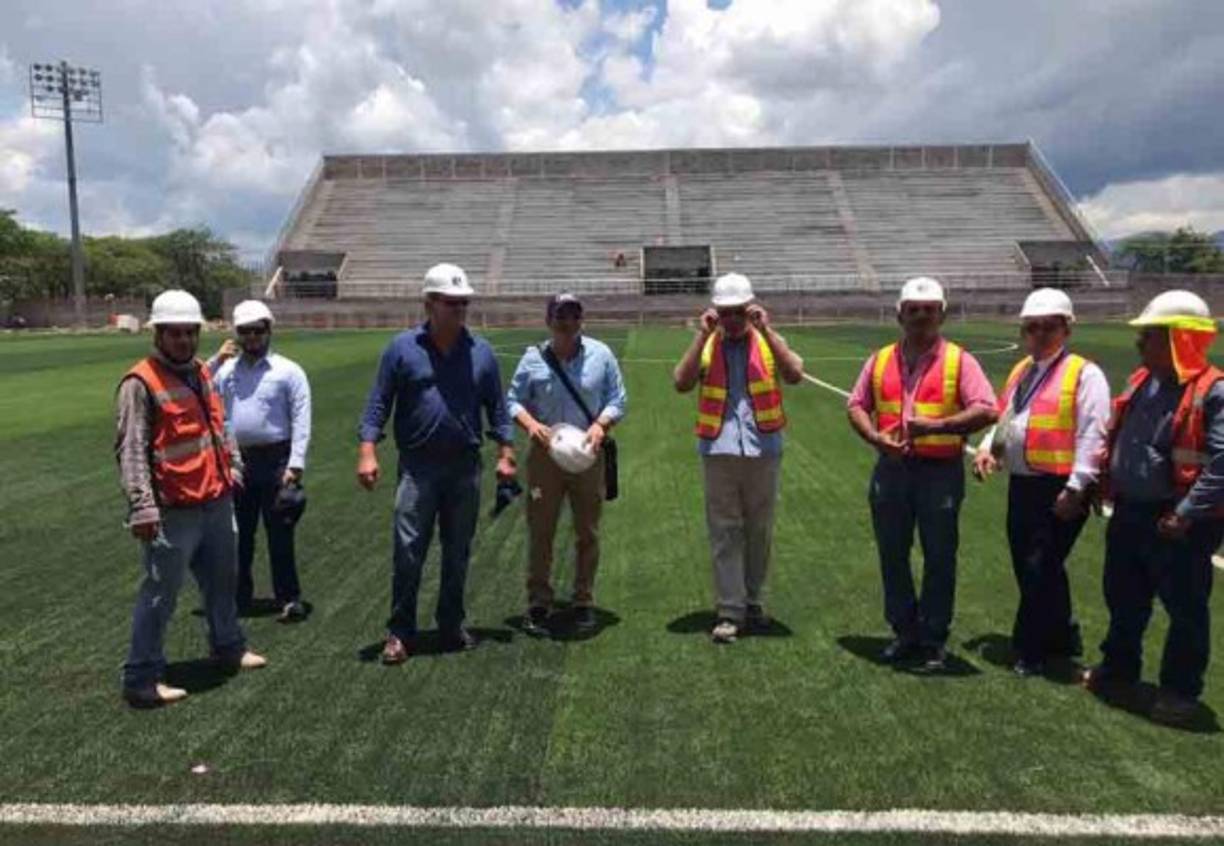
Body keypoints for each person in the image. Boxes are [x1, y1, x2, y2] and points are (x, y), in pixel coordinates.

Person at [357, 263, 517, 664]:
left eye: (464, 302)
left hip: (465, 467)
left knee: (457, 551)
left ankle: (450, 625)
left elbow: (497, 408)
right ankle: (400, 632)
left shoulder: (481, 352)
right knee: (408, 549)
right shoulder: (401, 349)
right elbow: (379, 402)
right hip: (418, 467)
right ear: (429, 303)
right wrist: (367, 449)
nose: (459, 309)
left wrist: (506, 452)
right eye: (451, 303)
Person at [115, 289, 266, 708]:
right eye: (174, 333)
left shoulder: (200, 372)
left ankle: (228, 647)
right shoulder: (140, 383)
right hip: (172, 509)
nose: (183, 340)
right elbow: (131, 450)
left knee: (223, 583)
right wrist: (142, 505)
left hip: (214, 500)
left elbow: (219, 425)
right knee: (160, 595)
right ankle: (142, 677)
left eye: (189, 332)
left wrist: (232, 464)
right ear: (158, 334)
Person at [1084, 290, 1224, 725]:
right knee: (1124, 595)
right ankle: (1119, 668)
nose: (1139, 344)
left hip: (1178, 521)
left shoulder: (1212, 392)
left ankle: (1180, 692)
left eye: (1149, 336)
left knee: (1184, 607)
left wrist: (1186, 511)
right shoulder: (1143, 381)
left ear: (1180, 338)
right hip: (1132, 510)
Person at [847, 276, 997, 671]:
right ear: (900, 314)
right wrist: (876, 439)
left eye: (929, 310)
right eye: (913, 310)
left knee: (940, 556)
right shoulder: (879, 360)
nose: (920, 317)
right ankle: (904, 631)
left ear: (942, 314)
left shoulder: (960, 360)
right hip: (891, 469)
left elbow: (986, 408)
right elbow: (857, 405)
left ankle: (933, 638)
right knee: (892, 554)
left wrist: (936, 427)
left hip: (939, 472)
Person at [972, 288, 1110, 676]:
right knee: (1035, 565)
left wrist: (1077, 487)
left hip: (1061, 486)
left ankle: (1030, 648)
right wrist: (988, 448)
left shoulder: (1085, 374)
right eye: (1032, 327)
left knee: (1038, 565)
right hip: (1024, 483)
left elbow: (1092, 434)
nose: (1040, 334)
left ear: (1066, 329)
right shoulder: (1022, 370)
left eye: (1049, 327)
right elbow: (1007, 416)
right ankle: (1063, 635)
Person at [673, 273, 804, 644]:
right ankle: (730, 609)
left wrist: (770, 331)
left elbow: (794, 374)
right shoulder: (708, 345)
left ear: (751, 309)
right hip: (718, 449)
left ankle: (754, 600)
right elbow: (681, 382)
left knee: (759, 530)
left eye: (738, 312)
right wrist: (701, 336)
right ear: (715, 312)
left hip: (763, 448)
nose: (731, 320)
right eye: (725, 312)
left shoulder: (767, 342)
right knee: (725, 531)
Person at [506, 292, 627, 636]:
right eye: (561, 315)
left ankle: (583, 600)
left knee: (587, 531)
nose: (567, 322)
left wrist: (600, 424)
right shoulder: (533, 359)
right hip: (546, 456)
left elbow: (618, 399)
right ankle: (539, 601)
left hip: (588, 454)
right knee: (541, 530)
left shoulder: (601, 355)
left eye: (574, 315)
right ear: (549, 320)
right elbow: (513, 400)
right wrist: (531, 425)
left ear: (581, 320)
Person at [210, 300, 312, 622]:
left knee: (280, 533)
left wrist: (295, 465)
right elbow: (203, 394)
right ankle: (240, 598)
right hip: (237, 461)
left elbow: (301, 419)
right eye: (245, 331)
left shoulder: (289, 371)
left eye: (258, 330)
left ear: (269, 330)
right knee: (239, 536)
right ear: (237, 334)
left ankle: (289, 597)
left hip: (277, 460)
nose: (252, 337)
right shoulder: (226, 371)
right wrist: (214, 362)